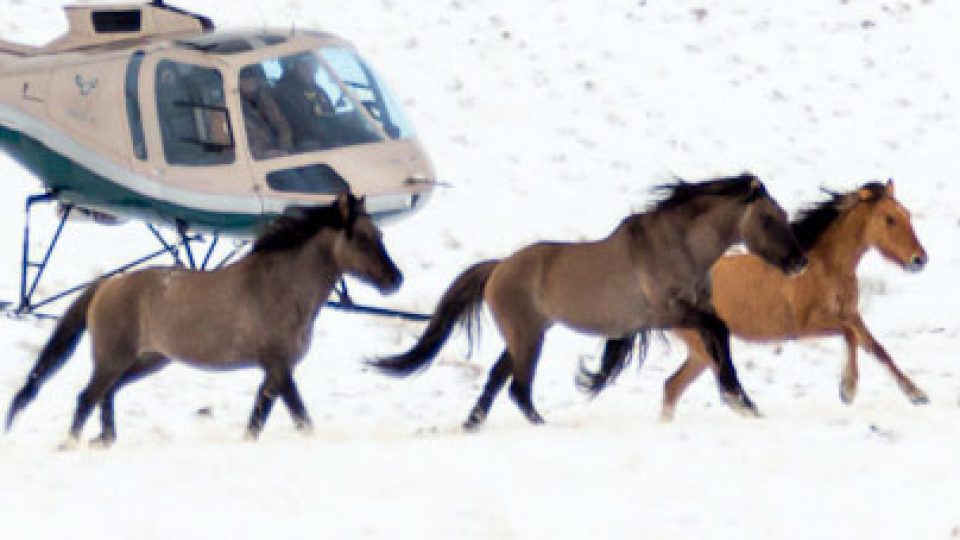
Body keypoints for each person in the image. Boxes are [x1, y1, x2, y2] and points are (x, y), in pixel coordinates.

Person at [273, 52, 336, 150]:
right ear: (293, 67)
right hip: (303, 140)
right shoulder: (284, 91)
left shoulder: (316, 88)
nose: (310, 69)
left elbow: (330, 111)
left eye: (312, 64)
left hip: (323, 134)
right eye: (304, 65)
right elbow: (297, 123)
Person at [238, 65, 294, 160]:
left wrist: (284, 148)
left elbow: (282, 125)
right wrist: (262, 155)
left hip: (281, 154)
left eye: (252, 79)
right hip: (255, 162)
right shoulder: (230, 108)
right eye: (245, 79)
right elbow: (232, 145)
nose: (251, 83)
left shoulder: (266, 100)